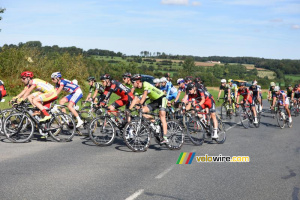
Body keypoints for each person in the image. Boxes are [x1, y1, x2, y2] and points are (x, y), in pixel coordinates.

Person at [129, 74, 169, 144]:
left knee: (162, 116)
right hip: (154, 101)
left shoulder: (145, 84)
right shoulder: (138, 89)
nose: (132, 85)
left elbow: (144, 95)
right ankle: (155, 123)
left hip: (161, 98)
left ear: (137, 82)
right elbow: (135, 99)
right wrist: (129, 109)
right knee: (142, 110)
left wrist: (140, 104)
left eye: (133, 83)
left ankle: (165, 137)